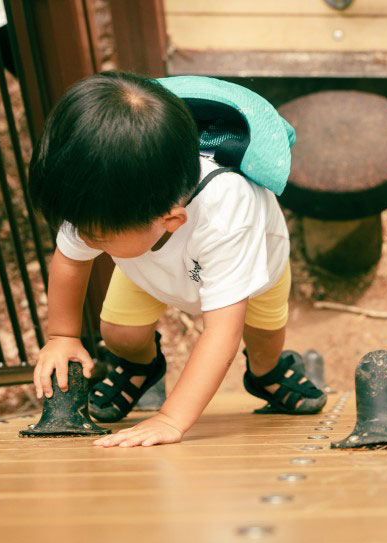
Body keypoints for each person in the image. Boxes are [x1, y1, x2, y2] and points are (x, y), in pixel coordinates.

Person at [28, 71, 326, 448]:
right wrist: (62, 336)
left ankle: (266, 373)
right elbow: (70, 260)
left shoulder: (227, 212)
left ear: (170, 219)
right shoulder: (102, 198)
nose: (84, 238)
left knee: (264, 339)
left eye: (97, 237)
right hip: (147, 267)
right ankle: (141, 367)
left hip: (255, 273)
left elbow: (221, 332)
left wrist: (171, 418)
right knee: (119, 334)